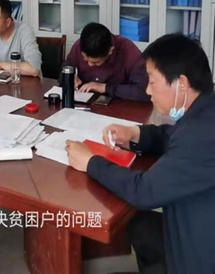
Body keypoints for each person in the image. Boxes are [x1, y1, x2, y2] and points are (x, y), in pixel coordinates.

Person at [66, 34, 215, 274]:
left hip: (197, 256)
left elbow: (144, 191)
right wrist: (135, 133)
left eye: (152, 81)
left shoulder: (200, 135)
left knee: (138, 211)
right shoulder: (205, 110)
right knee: (140, 222)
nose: (147, 90)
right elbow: (171, 135)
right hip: (191, 220)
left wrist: (90, 162)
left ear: (181, 83)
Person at [62, 22, 150, 102]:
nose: (89, 64)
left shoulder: (128, 50)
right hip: (83, 104)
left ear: (110, 51)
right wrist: (69, 77)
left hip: (119, 108)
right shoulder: (79, 45)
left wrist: (104, 87)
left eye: (96, 62)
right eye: (85, 59)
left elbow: (144, 91)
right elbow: (65, 69)